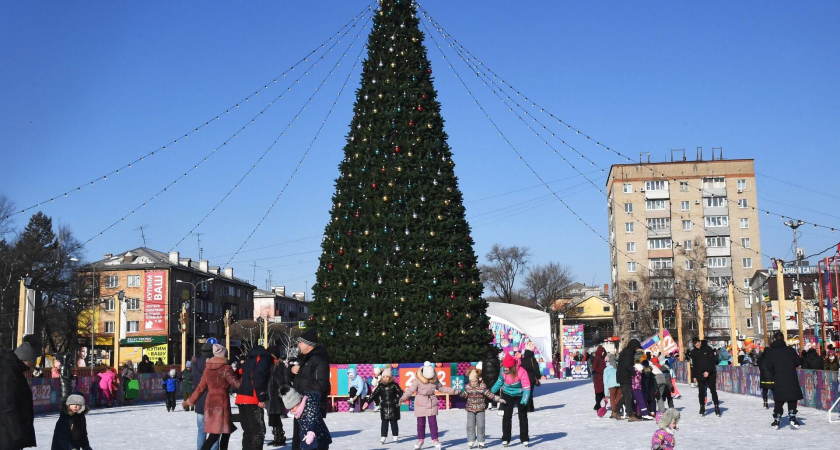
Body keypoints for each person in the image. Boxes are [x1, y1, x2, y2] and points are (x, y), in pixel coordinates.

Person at [184, 344, 242, 450]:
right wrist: (242, 374)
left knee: (221, 432)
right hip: (221, 403)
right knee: (218, 434)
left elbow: (200, 388)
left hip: (210, 402)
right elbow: (237, 384)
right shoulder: (226, 368)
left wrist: (189, 401)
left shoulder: (208, 368)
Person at [400, 361, 460, 450]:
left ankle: (435, 440)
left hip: (431, 402)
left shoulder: (434, 380)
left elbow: (442, 388)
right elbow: (410, 391)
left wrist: (455, 391)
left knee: (433, 423)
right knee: (420, 424)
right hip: (420, 402)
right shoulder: (417, 380)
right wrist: (403, 398)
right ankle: (420, 440)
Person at [291, 330, 331, 450]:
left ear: (308, 344)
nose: (298, 345)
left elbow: (320, 384)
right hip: (301, 407)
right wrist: (291, 370)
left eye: (300, 343)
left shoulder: (319, 359)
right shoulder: (307, 359)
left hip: (311, 408)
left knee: (312, 441)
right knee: (300, 440)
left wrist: (304, 400)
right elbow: (301, 380)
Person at [0, 342, 38, 449]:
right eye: (32, 362)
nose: (33, 365)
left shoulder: (14, 370)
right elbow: (7, 406)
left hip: (10, 432)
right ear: (27, 360)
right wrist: (17, 436)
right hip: (7, 434)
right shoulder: (9, 373)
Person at [235, 345, 273, 450]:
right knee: (258, 431)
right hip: (253, 398)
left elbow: (238, 373)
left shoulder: (248, 361)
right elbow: (258, 376)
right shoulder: (264, 359)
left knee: (248, 431)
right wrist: (261, 397)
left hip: (241, 398)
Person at [764, 331, 803, 429]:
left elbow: (768, 366)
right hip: (791, 377)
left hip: (778, 378)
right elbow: (798, 362)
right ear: (783, 338)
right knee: (792, 398)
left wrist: (775, 373)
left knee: (779, 400)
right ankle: (793, 418)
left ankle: (777, 420)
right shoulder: (790, 350)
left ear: (774, 339)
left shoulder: (771, 352)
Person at [490, 354, 531, 447]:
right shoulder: (503, 371)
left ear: (512, 367)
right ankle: (505, 438)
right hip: (507, 393)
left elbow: (527, 388)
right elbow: (499, 382)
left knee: (522, 415)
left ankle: (524, 438)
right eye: (504, 367)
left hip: (520, 394)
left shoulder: (521, 371)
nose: (505, 369)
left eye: (507, 367)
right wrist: (491, 391)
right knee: (507, 416)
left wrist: (524, 400)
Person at [459, 368, 503, 448]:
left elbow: (490, 394)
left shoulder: (482, 387)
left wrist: (498, 399)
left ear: (478, 380)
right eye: (472, 381)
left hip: (480, 409)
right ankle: (471, 440)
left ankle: (481, 441)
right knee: (470, 425)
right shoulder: (468, 387)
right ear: (469, 381)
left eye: (475, 381)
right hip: (470, 409)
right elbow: (464, 395)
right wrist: (459, 393)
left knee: (481, 425)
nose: (474, 383)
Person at [280, 386, 331, 450]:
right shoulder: (299, 410)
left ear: (298, 402)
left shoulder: (310, 405)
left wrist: (311, 432)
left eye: (292, 408)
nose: (292, 411)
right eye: (290, 409)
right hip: (308, 439)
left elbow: (313, 419)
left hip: (319, 439)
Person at [364, 368, 404, 445]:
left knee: (394, 423)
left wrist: (401, 399)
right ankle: (383, 437)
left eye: (387, 377)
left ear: (390, 377)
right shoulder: (380, 386)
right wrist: (367, 402)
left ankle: (395, 436)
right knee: (384, 423)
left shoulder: (394, 385)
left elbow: (401, 393)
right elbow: (373, 394)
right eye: (384, 377)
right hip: (384, 407)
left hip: (393, 407)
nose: (385, 378)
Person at [193, 342, 220, 450]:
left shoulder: (194, 365)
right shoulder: (214, 365)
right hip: (213, 401)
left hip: (200, 402)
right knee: (214, 431)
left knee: (201, 431)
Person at [689, 337, 720, 417]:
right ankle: (702, 406)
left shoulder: (708, 349)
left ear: (700, 342)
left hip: (710, 373)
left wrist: (708, 371)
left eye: (698, 344)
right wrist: (694, 376)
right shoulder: (693, 352)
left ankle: (716, 406)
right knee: (701, 391)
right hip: (700, 374)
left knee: (713, 391)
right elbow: (693, 365)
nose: (697, 346)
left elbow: (712, 361)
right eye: (695, 345)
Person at [266, 346, 288, 446]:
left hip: (277, 395)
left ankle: (280, 437)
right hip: (270, 395)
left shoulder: (279, 365)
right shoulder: (269, 364)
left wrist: (282, 393)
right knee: (272, 417)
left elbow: (282, 380)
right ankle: (277, 437)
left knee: (276, 417)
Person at [617, 338, 643, 422]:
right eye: (636, 348)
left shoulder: (626, 351)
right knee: (628, 396)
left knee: (625, 395)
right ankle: (630, 415)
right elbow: (628, 366)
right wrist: (634, 374)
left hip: (622, 376)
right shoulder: (628, 353)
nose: (637, 349)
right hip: (625, 376)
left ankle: (616, 411)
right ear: (634, 346)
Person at [520, 342, 541, 412]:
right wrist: (538, 377)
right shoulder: (532, 359)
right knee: (530, 393)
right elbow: (536, 369)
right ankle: (530, 407)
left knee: (525, 393)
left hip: (523, 379)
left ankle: (525, 406)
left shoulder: (522, 360)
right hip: (531, 378)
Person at [480, 346, 501, 411]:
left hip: (487, 377)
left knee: (488, 390)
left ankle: (489, 404)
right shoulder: (496, 359)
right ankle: (497, 403)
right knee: (496, 389)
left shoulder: (484, 360)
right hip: (495, 377)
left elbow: (483, 369)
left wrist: (483, 377)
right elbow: (498, 368)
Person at [603, 354, 622, 419]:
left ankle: (614, 412)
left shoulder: (606, 369)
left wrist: (606, 394)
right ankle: (617, 410)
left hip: (611, 385)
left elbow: (605, 382)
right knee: (618, 398)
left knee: (612, 399)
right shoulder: (619, 367)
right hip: (619, 384)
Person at [591, 345, 607, 411]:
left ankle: (597, 405)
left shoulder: (601, 358)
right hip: (598, 378)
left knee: (602, 392)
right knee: (599, 392)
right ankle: (597, 405)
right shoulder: (597, 358)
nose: (603, 353)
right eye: (602, 352)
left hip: (601, 378)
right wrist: (602, 371)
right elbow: (594, 367)